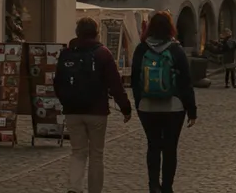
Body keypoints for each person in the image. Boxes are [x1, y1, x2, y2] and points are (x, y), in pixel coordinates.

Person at [55, 17, 132, 193]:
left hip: (73, 111)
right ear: (96, 33)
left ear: (77, 33)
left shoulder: (67, 53)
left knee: (77, 152)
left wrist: (66, 102)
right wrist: (125, 108)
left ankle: (74, 188)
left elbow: (58, 82)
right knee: (96, 154)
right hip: (97, 111)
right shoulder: (103, 53)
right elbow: (115, 84)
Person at [130, 11, 198, 193]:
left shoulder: (141, 49)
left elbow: (134, 79)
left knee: (153, 146)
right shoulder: (176, 49)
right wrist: (192, 111)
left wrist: (139, 103)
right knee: (170, 148)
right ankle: (167, 187)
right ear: (170, 27)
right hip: (173, 107)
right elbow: (185, 82)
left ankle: (153, 186)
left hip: (147, 107)